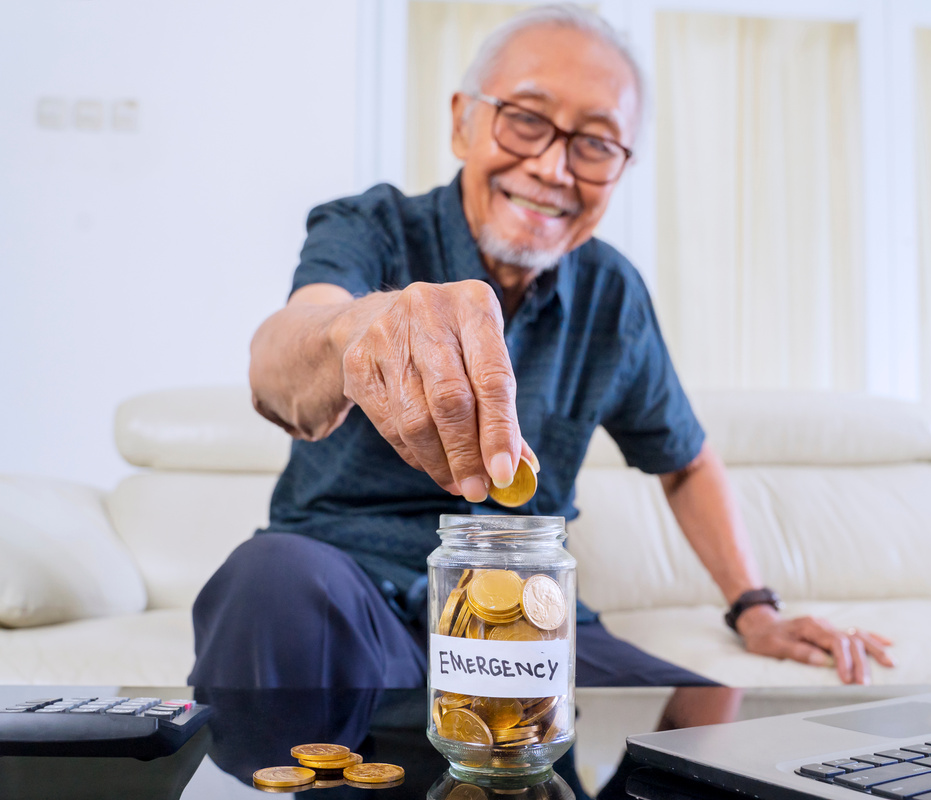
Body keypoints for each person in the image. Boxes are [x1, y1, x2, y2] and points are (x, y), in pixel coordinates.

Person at [189, 4, 892, 689]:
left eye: (594, 143)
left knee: (713, 748)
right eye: (526, 119)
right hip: (346, 591)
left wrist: (756, 609)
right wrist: (354, 329)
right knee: (267, 578)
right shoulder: (367, 229)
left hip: (530, 617)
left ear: (620, 167)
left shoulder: (613, 295)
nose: (554, 168)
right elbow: (277, 362)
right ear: (464, 121)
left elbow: (686, 462)